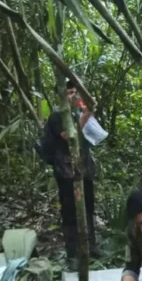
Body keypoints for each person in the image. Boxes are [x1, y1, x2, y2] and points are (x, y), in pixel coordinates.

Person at [44, 80, 102, 268]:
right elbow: (70, 134)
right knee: (69, 211)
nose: (73, 96)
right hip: (66, 171)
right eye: (69, 92)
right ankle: (72, 253)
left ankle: (90, 246)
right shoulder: (57, 116)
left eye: (75, 92)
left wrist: (88, 112)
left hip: (83, 169)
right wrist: (86, 113)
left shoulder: (78, 112)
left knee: (88, 207)